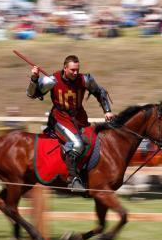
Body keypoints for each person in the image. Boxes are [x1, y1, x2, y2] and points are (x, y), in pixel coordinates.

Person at [27, 55, 115, 191]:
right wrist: (34, 78)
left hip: (79, 117)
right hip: (60, 118)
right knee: (77, 144)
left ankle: (89, 173)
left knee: (93, 141)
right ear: (65, 68)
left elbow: (99, 92)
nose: (75, 73)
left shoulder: (84, 80)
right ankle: (72, 179)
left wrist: (107, 111)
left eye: (77, 70)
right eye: (72, 70)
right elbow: (32, 94)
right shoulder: (52, 80)